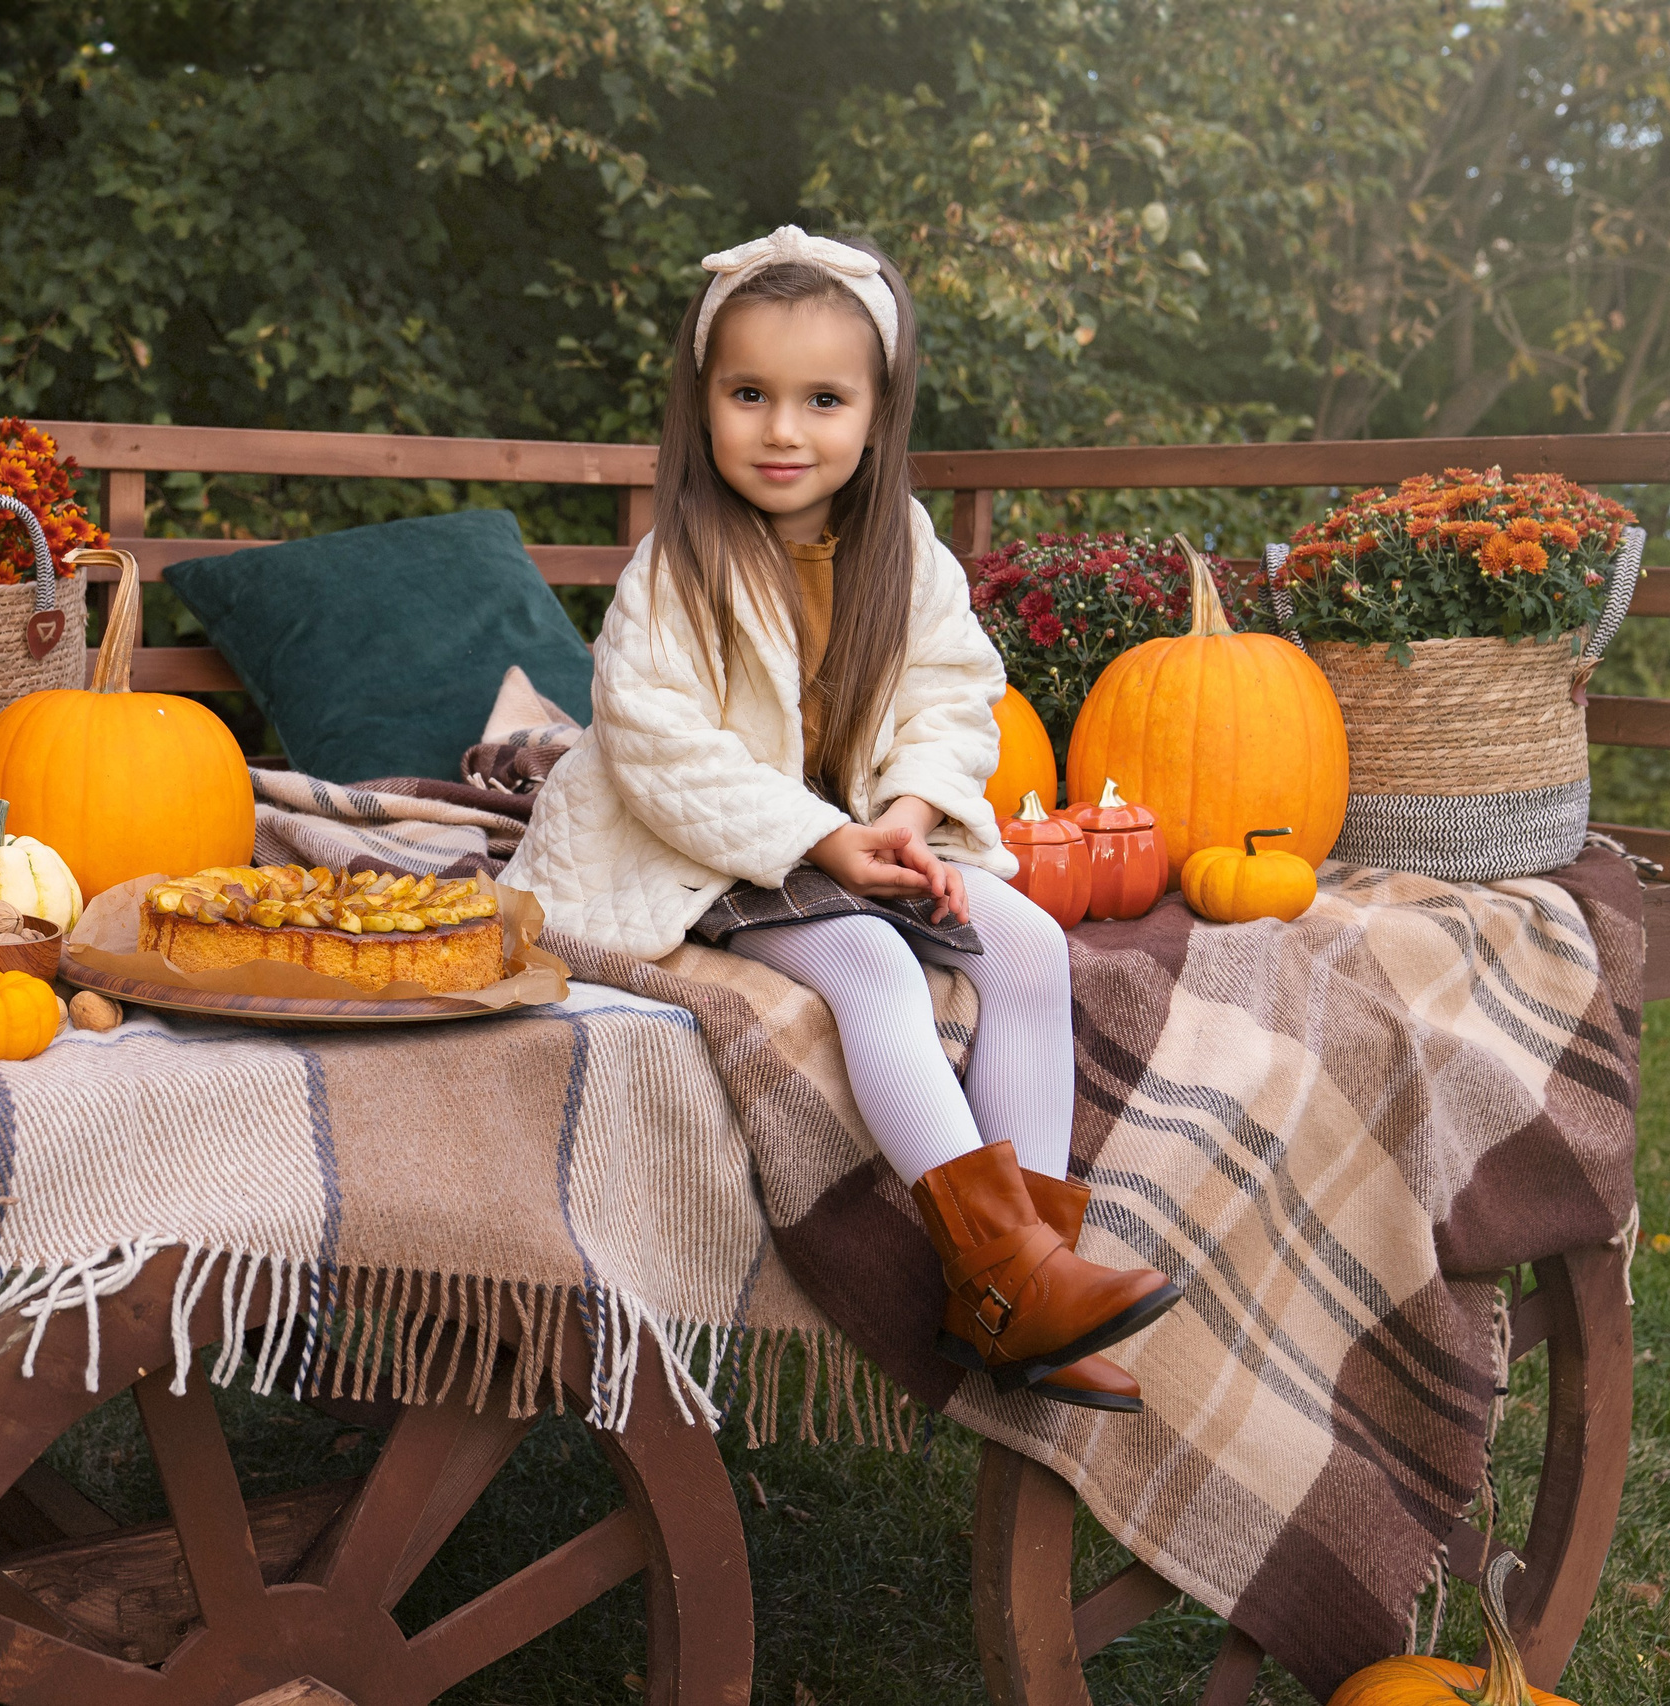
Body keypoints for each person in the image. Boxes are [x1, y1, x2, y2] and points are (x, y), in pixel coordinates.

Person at [503, 226, 1177, 1412]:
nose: (782, 429)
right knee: (870, 959)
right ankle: (1004, 1273)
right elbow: (658, 744)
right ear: (700, 403)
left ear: (877, 412)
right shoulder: (677, 565)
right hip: (701, 846)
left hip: (857, 830)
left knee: (1026, 944)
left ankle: (1027, 1284)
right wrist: (821, 841)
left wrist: (909, 814)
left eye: (823, 399)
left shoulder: (899, 549)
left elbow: (953, 693)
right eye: (748, 394)